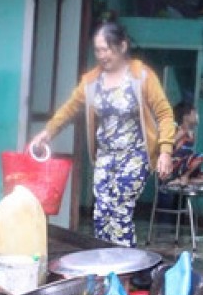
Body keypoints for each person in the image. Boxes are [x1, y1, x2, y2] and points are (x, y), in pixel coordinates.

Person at [30, 22, 175, 247]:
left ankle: (124, 268)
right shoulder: (91, 81)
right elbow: (70, 108)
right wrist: (48, 132)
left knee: (119, 210)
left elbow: (165, 114)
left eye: (106, 49)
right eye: (97, 50)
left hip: (135, 155)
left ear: (122, 46)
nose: (101, 55)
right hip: (106, 156)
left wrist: (165, 151)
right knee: (101, 213)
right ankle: (105, 265)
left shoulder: (141, 76)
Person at [168, 101, 203, 187]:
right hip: (177, 164)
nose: (197, 116)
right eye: (194, 113)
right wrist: (180, 135)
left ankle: (184, 180)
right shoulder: (179, 130)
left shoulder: (192, 134)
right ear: (186, 116)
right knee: (201, 156)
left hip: (186, 165)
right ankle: (184, 177)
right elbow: (170, 146)